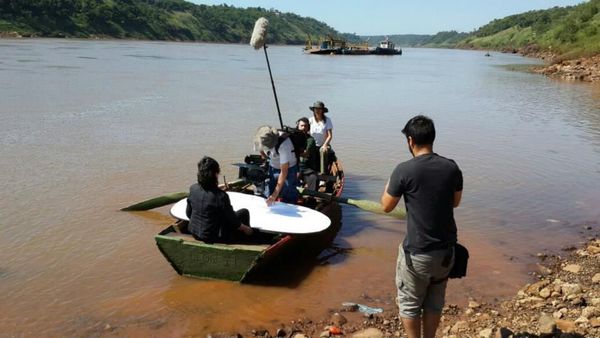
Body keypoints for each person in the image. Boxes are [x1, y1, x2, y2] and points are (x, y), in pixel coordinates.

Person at [380, 115, 463, 338]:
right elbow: (455, 202)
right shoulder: (451, 167)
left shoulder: (403, 170)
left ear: (410, 141)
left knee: (409, 305)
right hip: (446, 252)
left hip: (417, 254)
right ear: (432, 138)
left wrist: (392, 180)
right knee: (434, 304)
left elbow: (386, 206)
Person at [186, 156, 253, 243]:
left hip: (194, 232)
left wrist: (217, 189)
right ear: (215, 174)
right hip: (213, 237)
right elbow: (234, 222)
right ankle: (245, 242)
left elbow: (188, 213)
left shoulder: (193, 188)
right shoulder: (221, 196)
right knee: (244, 212)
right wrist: (247, 229)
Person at [254, 125, 299, 205]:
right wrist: (265, 156)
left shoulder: (284, 144)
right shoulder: (261, 138)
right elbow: (259, 149)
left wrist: (274, 195)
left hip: (289, 168)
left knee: (288, 193)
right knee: (267, 192)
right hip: (272, 166)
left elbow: (284, 172)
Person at [308, 101, 334, 173]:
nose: (317, 111)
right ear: (313, 110)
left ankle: (323, 175)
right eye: (316, 109)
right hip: (312, 145)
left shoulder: (327, 120)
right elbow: (307, 134)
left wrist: (325, 145)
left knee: (322, 152)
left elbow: (330, 136)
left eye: (319, 109)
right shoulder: (310, 120)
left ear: (323, 110)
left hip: (323, 145)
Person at [296, 117, 319, 192]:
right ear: (298, 127)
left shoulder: (310, 140)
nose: (303, 128)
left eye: (305, 126)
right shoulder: (293, 138)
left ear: (308, 128)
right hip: (294, 166)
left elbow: (305, 154)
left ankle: (310, 197)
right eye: (301, 126)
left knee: (313, 178)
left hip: (307, 168)